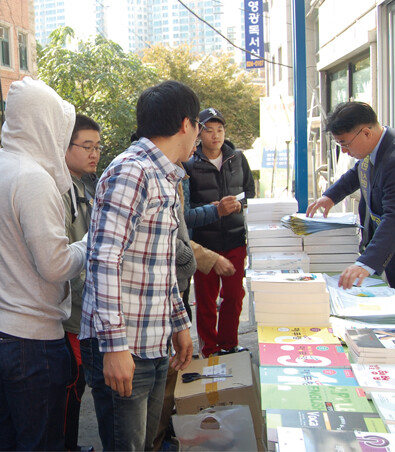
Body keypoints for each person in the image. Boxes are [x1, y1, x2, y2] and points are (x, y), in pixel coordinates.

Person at [0, 77, 87, 451]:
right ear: (44, 123)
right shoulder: (33, 178)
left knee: (6, 436)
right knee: (39, 442)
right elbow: (55, 265)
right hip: (27, 339)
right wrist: (90, 243)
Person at [79, 80, 196, 451]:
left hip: (152, 340)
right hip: (124, 345)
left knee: (145, 444)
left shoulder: (164, 174)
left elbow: (159, 263)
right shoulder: (133, 172)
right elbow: (103, 258)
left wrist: (179, 323)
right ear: (186, 124)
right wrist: (114, 347)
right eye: (198, 126)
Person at [306, 101, 395, 323]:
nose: (344, 151)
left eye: (345, 144)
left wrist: (366, 263)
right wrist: (331, 196)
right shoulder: (381, 144)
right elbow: (359, 171)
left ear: (366, 132)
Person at [183, 107, 255, 357]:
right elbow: (185, 207)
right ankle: (210, 349)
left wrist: (239, 204)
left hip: (235, 239)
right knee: (206, 301)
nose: (215, 135)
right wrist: (211, 209)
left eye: (220, 130)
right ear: (199, 134)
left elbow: (249, 192)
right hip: (205, 242)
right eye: (209, 130)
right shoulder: (189, 163)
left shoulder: (238, 158)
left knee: (234, 296)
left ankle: (229, 344)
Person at [62, 114, 101, 452]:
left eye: (97, 147)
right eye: (86, 146)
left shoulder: (85, 185)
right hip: (70, 308)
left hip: (81, 304)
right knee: (71, 384)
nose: (94, 154)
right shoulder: (60, 189)